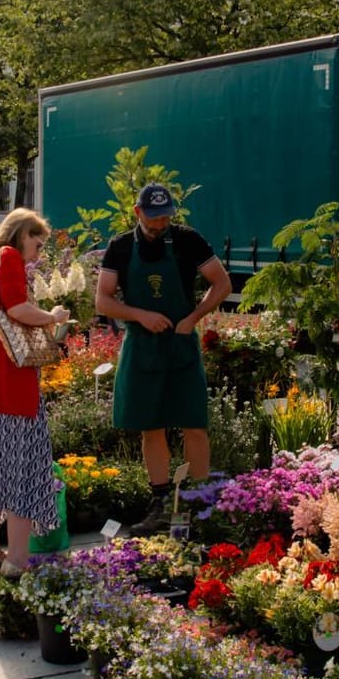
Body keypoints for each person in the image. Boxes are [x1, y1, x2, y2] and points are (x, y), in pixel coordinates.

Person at [95, 182, 231, 535]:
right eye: (153, 218)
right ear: (138, 212)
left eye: (165, 217)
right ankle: (161, 504)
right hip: (142, 346)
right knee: (151, 426)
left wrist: (192, 318)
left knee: (193, 423)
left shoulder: (188, 240)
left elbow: (222, 284)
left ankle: (200, 504)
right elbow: (103, 300)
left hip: (181, 344)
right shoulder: (120, 247)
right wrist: (139, 315)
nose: (160, 224)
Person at [0, 208, 71, 578]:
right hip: (13, 387)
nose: (37, 254)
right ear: (22, 233)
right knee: (24, 470)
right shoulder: (8, 257)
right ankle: (19, 557)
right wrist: (53, 317)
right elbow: (18, 308)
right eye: (36, 244)